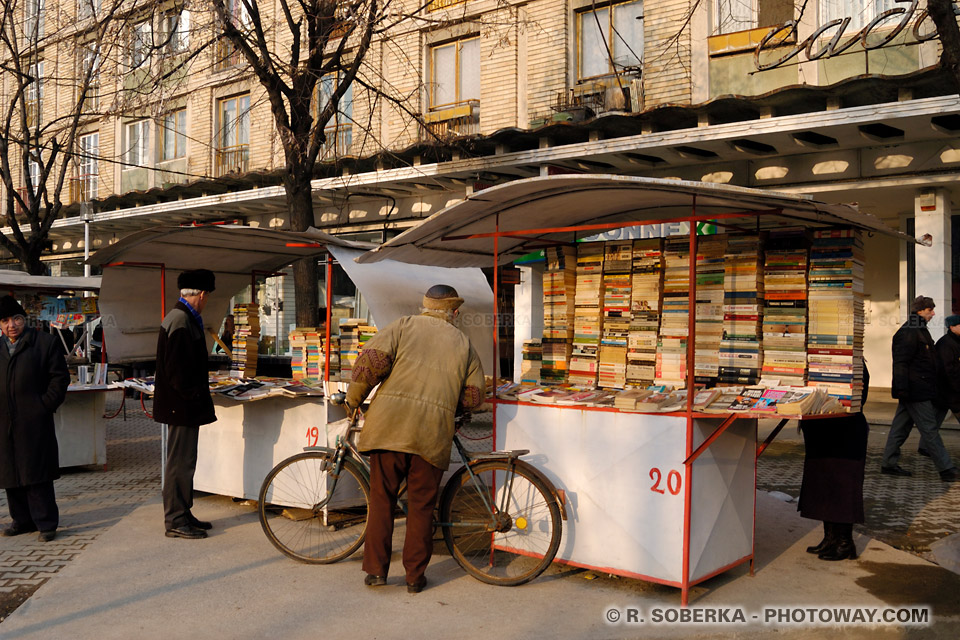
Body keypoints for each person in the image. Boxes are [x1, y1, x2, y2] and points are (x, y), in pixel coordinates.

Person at [345, 284, 485, 593]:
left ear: (424, 305)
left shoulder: (402, 327)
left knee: (382, 501)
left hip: (388, 429)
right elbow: (475, 396)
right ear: (455, 312)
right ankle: (414, 577)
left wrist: (353, 401)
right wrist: (452, 405)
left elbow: (369, 365)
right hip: (431, 435)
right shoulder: (463, 343)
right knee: (422, 507)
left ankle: (376, 572)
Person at [154, 269, 218, 539]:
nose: (207, 301)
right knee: (180, 462)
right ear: (202, 294)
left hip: (182, 404)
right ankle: (176, 519)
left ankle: (184, 511)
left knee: (185, 461)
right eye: (208, 296)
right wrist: (195, 397)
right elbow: (177, 371)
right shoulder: (181, 320)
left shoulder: (182, 317)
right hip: (181, 406)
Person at [0, 295, 70, 542]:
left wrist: (44, 406)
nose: (12, 325)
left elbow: (60, 379)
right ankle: (22, 520)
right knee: (11, 474)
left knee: (36, 473)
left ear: (24, 319)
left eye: (16, 319)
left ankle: (46, 523)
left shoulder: (44, 343)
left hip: (34, 421)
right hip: (4, 423)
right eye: (5, 320)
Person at [881, 295, 959, 481]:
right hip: (915, 391)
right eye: (930, 310)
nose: (933, 313)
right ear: (920, 311)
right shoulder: (909, 332)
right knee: (930, 430)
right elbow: (901, 363)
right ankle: (947, 470)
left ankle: (888, 464)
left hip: (915, 389)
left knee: (900, 428)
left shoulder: (919, 330)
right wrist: (902, 389)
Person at [798, 360, 869, 561]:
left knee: (842, 488)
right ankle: (830, 538)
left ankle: (845, 543)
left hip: (845, 433)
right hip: (823, 432)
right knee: (824, 486)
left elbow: (857, 399)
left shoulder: (855, 366)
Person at [935, 314, 960, 429]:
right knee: (934, 422)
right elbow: (948, 370)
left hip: (950, 392)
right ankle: (925, 446)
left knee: (934, 423)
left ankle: (925, 446)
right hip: (948, 391)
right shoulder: (946, 344)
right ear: (952, 327)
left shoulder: (955, 342)